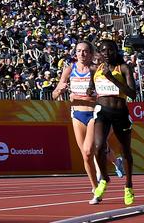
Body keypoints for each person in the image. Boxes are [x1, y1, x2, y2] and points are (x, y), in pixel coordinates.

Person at [52, 40, 102, 196]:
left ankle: (107, 163)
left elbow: (102, 98)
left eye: (85, 51)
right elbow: (54, 95)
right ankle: (95, 187)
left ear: (91, 54)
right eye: (79, 51)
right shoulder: (69, 70)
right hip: (77, 115)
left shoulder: (96, 70)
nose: (82, 54)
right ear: (75, 53)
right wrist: (59, 91)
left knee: (88, 150)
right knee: (86, 155)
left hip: (94, 113)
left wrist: (85, 97)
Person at [90, 38, 136, 206]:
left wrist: (113, 79)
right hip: (102, 112)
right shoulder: (96, 69)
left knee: (125, 151)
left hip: (120, 113)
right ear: (99, 53)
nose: (107, 53)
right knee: (98, 146)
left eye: (110, 50)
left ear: (116, 51)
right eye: (103, 50)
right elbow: (92, 87)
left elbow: (132, 94)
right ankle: (105, 178)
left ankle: (128, 185)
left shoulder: (123, 68)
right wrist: (89, 90)